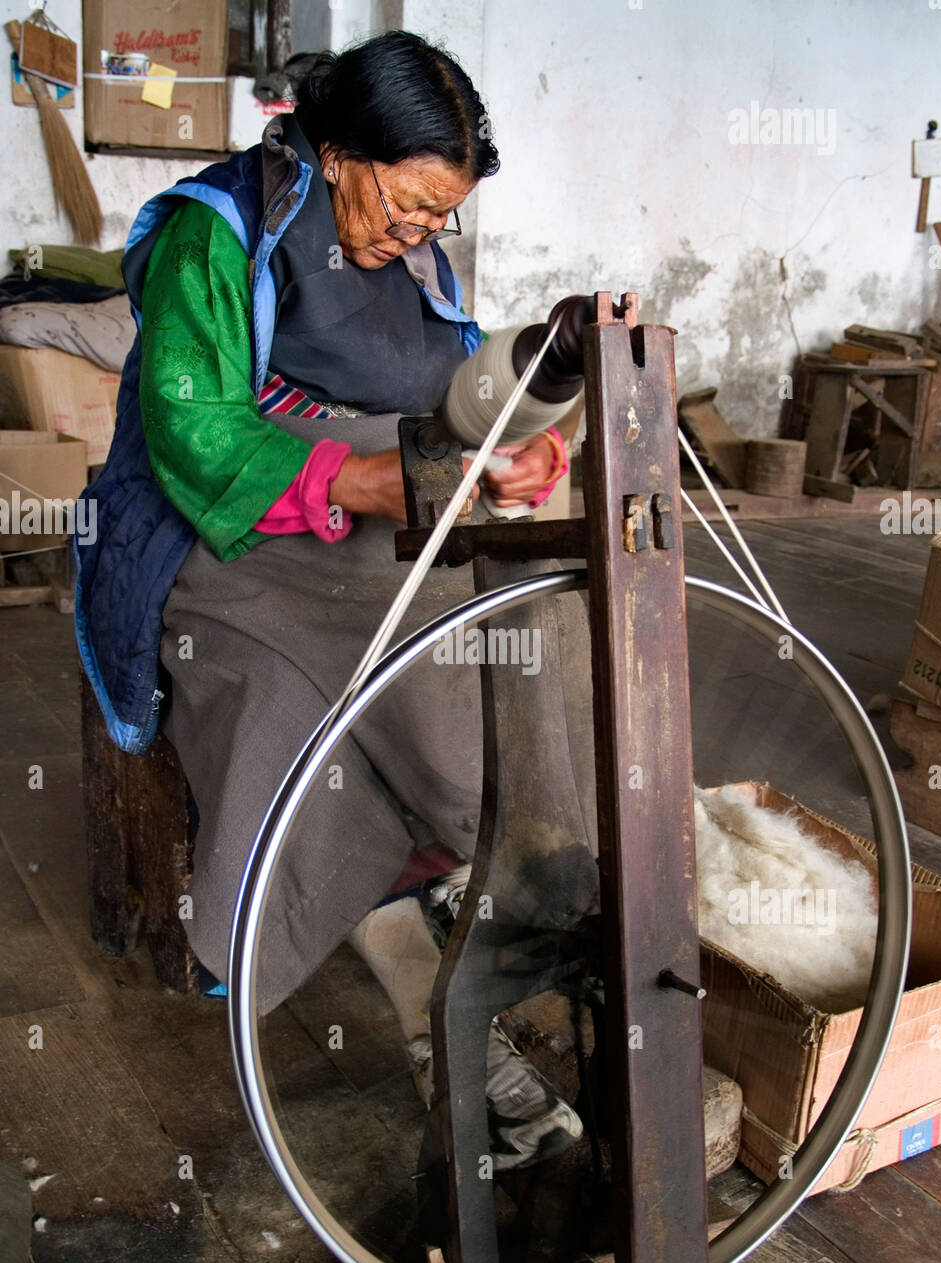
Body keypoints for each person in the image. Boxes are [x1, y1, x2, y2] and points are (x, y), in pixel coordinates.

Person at [75, 31, 582, 1169]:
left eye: (438, 217)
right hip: (205, 534)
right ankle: (485, 856)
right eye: (406, 205)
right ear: (340, 151)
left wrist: (518, 450)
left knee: (518, 576)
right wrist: (366, 479)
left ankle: (504, 857)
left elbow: (455, 402)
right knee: (386, 604)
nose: (420, 235)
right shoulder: (216, 229)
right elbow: (194, 435)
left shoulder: (414, 257)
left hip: (368, 526)